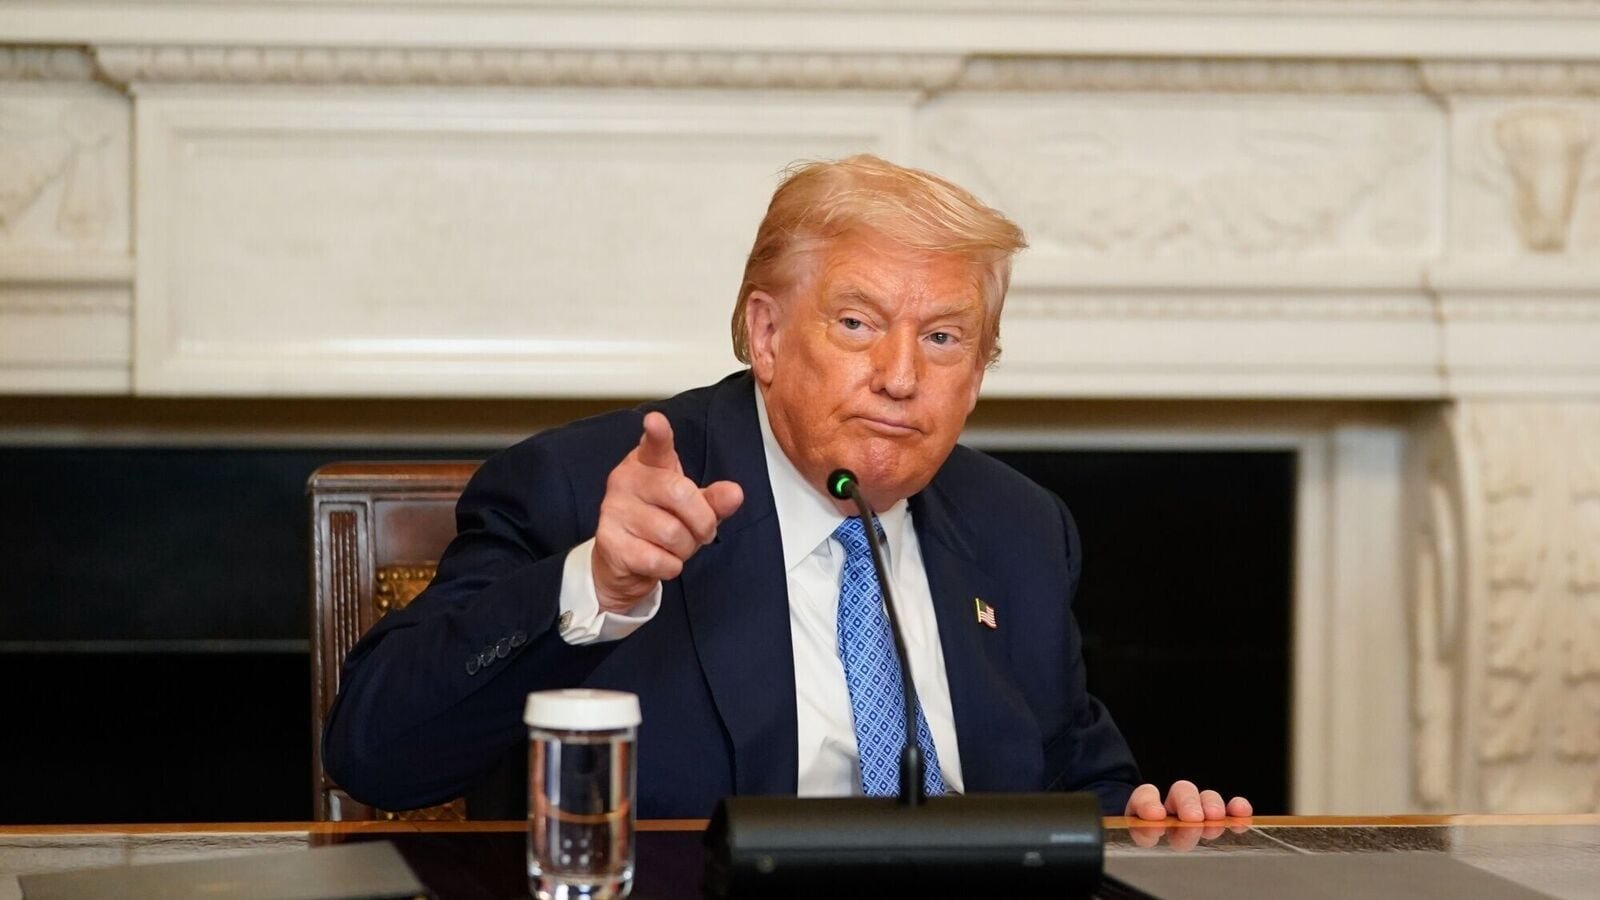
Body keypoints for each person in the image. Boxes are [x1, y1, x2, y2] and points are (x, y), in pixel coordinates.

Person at [323, 155, 1251, 824]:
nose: (900, 376)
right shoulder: (584, 489)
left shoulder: (1019, 528)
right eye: (858, 323)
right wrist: (593, 587)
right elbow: (376, 754)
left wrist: (1143, 814)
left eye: (943, 338)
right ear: (765, 336)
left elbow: (1073, 783)